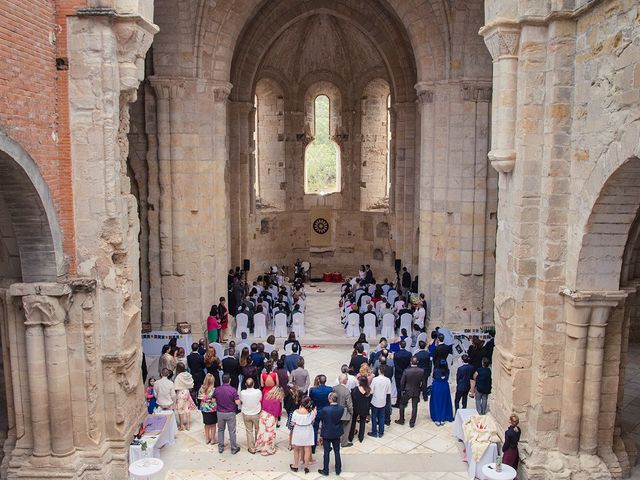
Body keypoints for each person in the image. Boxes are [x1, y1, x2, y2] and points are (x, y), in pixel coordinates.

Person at [317, 392, 345, 476]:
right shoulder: (341, 408)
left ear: (330, 399)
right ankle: (338, 469)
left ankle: (326, 470)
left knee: (326, 452)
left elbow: (319, 417)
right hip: (336, 432)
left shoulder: (325, 409)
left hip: (327, 432)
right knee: (337, 451)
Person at [213, 374, 241, 454]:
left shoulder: (217, 389)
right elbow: (237, 402)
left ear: (222, 380)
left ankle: (220, 448)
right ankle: (233, 449)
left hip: (220, 413)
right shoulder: (233, 390)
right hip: (230, 413)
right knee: (232, 431)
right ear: (230, 380)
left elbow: (214, 400)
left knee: (221, 430)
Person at [290, 395, 317, 473]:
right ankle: (306, 466)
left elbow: (292, 423)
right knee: (308, 449)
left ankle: (295, 465)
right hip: (308, 430)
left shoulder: (296, 412)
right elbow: (312, 421)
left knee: (296, 449)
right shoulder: (311, 412)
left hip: (298, 430)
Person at [255, 386, 284, 455]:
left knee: (261, 432)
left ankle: (259, 446)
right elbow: (277, 411)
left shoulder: (266, 395)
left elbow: (261, 404)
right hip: (271, 417)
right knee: (269, 433)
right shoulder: (277, 400)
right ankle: (267, 449)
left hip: (263, 414)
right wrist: (277, 419)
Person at [396, 356, 424, 427]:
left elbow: (402, 382)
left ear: (411, 362)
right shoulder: (421, 371)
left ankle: (401, 420)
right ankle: (412, 423)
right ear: (417, 362)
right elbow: (424, 383)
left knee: (402, 404)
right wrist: (420, 389)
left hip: (407, 390)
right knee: (414, 407)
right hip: (416, 390)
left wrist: (402, 390)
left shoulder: (406, 371)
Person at [309, 375, 333, 453]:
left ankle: (313, 447)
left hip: (317, 411)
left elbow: (311, 399)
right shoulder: (330, 389)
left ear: (319, 380)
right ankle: (327, 446)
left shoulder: (313, 390)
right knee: (326, 428)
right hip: (326, 411)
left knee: (315, 429)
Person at [239, 377, 262, 454]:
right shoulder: (258, 392)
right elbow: (260, 399)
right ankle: (257, 446)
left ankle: (251, 448)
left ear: (245, 384)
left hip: (246, 413)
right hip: (256, 413)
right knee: (257, 430)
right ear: (253, 384)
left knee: (249, 431)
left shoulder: (242, 392)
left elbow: (241, 401)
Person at [369, 366, 391, 438]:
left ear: (379, 371)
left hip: (375, 401)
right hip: (383, 401)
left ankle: (374, 432)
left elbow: (371, 391)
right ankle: (381, 432)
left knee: (374, 416)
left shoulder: (375, 380)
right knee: (382, 417)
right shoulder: (388, 380)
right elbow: (388, 392)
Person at [332, 374, 354, 448]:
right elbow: (349, 404)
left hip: (335, 411)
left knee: (336, 426)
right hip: (344, 412)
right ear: (345, 381)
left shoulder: (334, 388)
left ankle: (335, 441)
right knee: (346, 428)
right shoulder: (346, 391)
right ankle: (344, 443)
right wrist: (351, 412)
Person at [174, 363, 197, 430]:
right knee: (187, 409)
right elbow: (192, 383)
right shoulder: (188, 374)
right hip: (187, 392)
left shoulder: (178, 377)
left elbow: (176, 387)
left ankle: (181, 425)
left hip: (180, 393)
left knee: (180, 409)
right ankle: (188, 425)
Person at [348, 376, 372, 443]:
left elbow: (352, 398)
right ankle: (361, 437)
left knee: (353, 422)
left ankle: (351, 437)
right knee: (362, 422)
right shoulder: (368, 390)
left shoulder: (355, 389)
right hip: (364, 408)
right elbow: (369, 400)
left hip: (356, 408)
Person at [198, 373, 218, 445]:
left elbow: (199, 397)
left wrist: (206, 398)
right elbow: (215, 399)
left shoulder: (201, 388)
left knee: (206, 424)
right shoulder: (214, 390)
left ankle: (207, 438)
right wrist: (211, 399)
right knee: (213, 424)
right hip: (212, 409)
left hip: (204, 408)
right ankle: (213, 439)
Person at [392, 342, 412, 406]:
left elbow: (396, 365)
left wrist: (401, 371)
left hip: (398, 373)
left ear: (399, 345)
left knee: (399, 388)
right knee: (405, 388)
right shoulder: (409, 354)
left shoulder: (396, 354)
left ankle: (398, 402)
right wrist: (405, 371)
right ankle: (405, 402)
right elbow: (409, 364)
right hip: (406, 373)